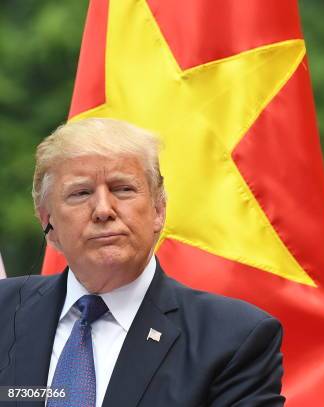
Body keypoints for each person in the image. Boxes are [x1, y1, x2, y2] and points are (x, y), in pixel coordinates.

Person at [0, 118, 285, 407]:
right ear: (48, 222)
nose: (103, 210)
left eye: (123, 189)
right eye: (81, 193)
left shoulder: (233, 339)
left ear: (159, 210)